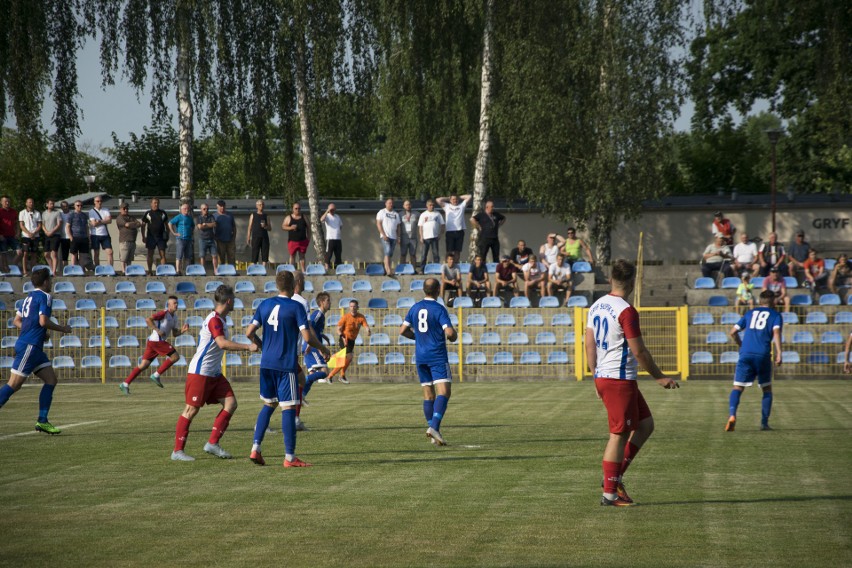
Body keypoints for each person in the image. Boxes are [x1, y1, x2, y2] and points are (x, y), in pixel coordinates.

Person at [585, 259, 679, 507]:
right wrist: (659, 376)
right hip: (618, 379)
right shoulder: (626, 310)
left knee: (645, 425)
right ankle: (609, 494)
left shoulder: (596, 306)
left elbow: (588, 343)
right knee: (619, 434)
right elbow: (639, 351)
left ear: (611, 279)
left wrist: (595, 375)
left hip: (609, 376)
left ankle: (614, 478)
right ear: (633, 280)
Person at [245, 271, 330, 467]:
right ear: (294, 286)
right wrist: (324, 348)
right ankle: (290, 457)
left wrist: (262, 345)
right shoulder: (296, 306)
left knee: (269, 404)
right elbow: (308, 338)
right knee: (289, 407)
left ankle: (255, 449)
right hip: (285, 364)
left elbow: (249, 332)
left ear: (276, 285)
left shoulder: (264, 304)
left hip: (266, 363)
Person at [170, 285, 259, 461]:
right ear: (229, 301)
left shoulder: (221, 320)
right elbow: (222, 343)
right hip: (201, 372)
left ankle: (212, 443)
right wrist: (248, 347)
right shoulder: (214, 320)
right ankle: (177, 451)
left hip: (214, 373)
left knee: (231, 403)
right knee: (191, 410)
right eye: (233, 299)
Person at [0, 268, 73, 434]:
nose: (52, 283)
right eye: (51, 280)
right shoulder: (46, 297)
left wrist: (39, 332)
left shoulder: (28, 297)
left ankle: (42, 421)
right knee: (14, 384)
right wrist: (63, 328)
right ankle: (42, 420)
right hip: (30, 346)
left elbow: (16, 321)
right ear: (46, 282)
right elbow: (43, 320)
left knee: (51, 380)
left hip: (34, 346)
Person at [400, 277, 458, 446]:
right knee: (444, 392)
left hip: (421, 356)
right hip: (437, 356)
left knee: (428, 394)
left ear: (424, 290)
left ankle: (433, 434)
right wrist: (454, 335)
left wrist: (417, 337)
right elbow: (449, 332)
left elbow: (402, 330)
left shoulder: (415, 307)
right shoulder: (439, 309)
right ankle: (434, 427)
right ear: (438, 290)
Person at [726, 290, 783, 432]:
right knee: (766, 389)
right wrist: (779, 353)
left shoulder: (750, 313)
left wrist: (741, 345)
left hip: (745, 354)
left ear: (760, 300)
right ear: (773, 301)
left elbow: (733, 332)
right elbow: (776, 333)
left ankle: (732, 415)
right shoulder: (776, 315)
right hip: (762, 354)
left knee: (737, 388)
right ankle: (764, 423)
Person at [119, 296, 190, 395]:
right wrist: (157, 330)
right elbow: (148, 319)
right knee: (175, 357)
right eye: (174, 303)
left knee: (144, 365)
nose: (176, 305)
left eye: (177, 303)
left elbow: (175, 334)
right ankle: (156, 375)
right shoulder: (163, 313)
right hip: (157, 341)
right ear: (169, 305)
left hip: (153, 342)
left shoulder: (175, 318)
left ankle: (125, 384)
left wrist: (183, 331)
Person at [326, 299, 371, 384]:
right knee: (349, 357)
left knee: (346, 359)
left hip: (352, 340)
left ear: (357, 307)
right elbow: (338, 328)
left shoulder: (361, 317)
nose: (352, 308)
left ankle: (336, 375)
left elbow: (366, 325)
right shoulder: (346, 317)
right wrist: (342, 336)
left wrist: (368, 330)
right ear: (349, 308)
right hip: (344, 339)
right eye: (351, 306)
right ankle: (334, 376)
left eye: (354, 306)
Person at [301, 292, 333, 402]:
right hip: (312, 347)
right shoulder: (317, 314)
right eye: (328, 300)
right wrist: (310, 344)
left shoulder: (321, 316)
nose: (330, 302)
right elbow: (309, 328)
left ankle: (302, 395)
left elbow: (316, 330)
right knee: (324, 372)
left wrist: (324, 336)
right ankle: (302, 383)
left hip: (312, 346)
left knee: (314, 374)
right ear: (322, 302)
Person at [436, 193, 472, 262]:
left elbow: (469, 196)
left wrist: (459, 197)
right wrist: (448, 198)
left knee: (457, 251)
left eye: (456, 199)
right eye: (453, 199)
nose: (454, 200)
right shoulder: (447, 206)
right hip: (450, 232)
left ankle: (456, 265)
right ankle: (448, 266)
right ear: (450, 200)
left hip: (459, 231)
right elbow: (438, 200)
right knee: (449, 251)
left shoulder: (461, 206)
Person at [141, 197, 169, 274]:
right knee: (150, 254)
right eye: (154, 203)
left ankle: (163, 271)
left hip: (161, 237)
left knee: (162, 254)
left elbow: (167, 225)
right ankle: (150, 271)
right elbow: (143, 225)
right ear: (151, 204)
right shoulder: (147, 213)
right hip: (151, 237)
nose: (156, 204)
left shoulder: (163, 213)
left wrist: (167, 235)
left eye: (157, 203)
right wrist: (143, 236)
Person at [115, 203, 143, 274]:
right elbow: (126, 225)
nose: (126, 210)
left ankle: (129, 270)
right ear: (121, 209)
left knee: (129, 259)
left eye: (127, 208)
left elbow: (139, 224)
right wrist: (134, 224)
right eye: (124, 208)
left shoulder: (131, 217)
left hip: (132, 241)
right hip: (124, 241)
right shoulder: (120, 218)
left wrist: (131, 224)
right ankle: (123, 271)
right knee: (123, 258)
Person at [282, 202, 310, 271]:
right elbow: (283, 226)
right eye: (296, 208)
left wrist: (308, 239)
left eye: (299, 208)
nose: (298, 210)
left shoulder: (304, 217)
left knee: (302, 256)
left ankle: (303, 271)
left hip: (303, 241)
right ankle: (291, 271)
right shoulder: (289, 217)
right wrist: (291, 228)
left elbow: (309, 228)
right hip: (292, 241)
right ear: (293, 209)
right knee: (292, 255)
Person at [376, 198, 400, 275]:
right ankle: (389, 270)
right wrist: (383, 234)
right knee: (387, 251)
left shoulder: (396, 214)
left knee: (389, 254)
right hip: (385, 236)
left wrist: (398, 237)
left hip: (394, 237)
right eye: (389, 203)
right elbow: (378, 224)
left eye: (392, 203)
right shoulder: (382, 212)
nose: (391, 204)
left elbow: (398, 226)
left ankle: (386, 270)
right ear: (385, 204)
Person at [168, 203, 194, 275]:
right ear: (181, 210)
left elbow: (193, 226)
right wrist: (173, 233)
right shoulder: (178, 217)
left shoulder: (190, 218)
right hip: (180, 239)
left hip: (188, 239)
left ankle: (187, 271)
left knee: (188, 256)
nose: (186, 210)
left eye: (187, 208)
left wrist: (191, 232)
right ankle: (177, 270)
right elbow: (170, 223)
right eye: (185, 208)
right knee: (179, 255)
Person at [418, 199, 444, 269]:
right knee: (424, 255)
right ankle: (422, 269)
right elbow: (420, 226)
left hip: (435, 237)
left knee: (436, 254)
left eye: (433, 205)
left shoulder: (437, 214)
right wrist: (421, 236)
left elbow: (442, 225)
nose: (432, 206)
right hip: (425, 238)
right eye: (430, 205)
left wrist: (440, 234)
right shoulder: (423, 214)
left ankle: (437, 269)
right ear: (427, 206)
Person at [88, 196, 113, 268]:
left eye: (100, 201)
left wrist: (99, 221)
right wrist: (104, 221)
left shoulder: (106, 210)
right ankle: (97, 269)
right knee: (96, 253)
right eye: (97, 201)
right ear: (94, 202)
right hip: (95, 234)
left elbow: (110, 220)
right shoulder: (91, 211)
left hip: (105, 234)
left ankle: (110, 269)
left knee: (110, 252)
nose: (99, 202)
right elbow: (94, 224)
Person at [18, 197, 42, 274]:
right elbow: (21, 225)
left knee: (34, 254)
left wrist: (34, 233)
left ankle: (33, 271)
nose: (31, 204)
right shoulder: (22, 212)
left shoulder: (37, 213)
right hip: (25, 236)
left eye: (32, 202)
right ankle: (25, 271)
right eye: (29, 202)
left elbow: (39, 225)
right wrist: (29, 233)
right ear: (26, 203)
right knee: (25, 253)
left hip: (35, 236)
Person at [66, 200, 91, 269]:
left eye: (81, 205)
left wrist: (88, 236)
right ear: (74, 206)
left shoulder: (84, 215)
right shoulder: (71, 215)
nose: (80, 207)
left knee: (83, 255)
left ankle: (81, 270)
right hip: (75, 237)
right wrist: (71, 237)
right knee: (74, 254)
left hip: (84, 237)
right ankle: (73, 269)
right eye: (78, 205)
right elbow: (67, 226)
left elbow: (86, 227)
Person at [246, 199, 270, 268]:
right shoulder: (253, 215)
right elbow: (249, 227)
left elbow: (270, 228)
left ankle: (263, 269)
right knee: (255, 252)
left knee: (265, 253)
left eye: (262, 204)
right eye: (259, 205)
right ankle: (254, 268)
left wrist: (265, 226)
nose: (261, 206)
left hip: (264, 237)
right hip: (255, 236)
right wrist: (248, 237)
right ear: (256, 206)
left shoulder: (266, 216)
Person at [41, 199, 63, 276]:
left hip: (55, 235)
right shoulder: (44, 213)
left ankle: (54, 271)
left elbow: (59, 224)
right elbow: (42, 224)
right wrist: (46, 231)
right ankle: (52, 268)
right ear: (47, 204)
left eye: (53, 204)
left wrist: (52, 231)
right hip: (47, 235)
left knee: (53, 254)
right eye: (50, 204)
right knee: (46, 254)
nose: (52, 205)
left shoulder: (57, 213)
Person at [196, 203, 219, 274]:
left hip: (211, 239)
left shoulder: (211, 216)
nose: (206, 210)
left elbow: (214, 224)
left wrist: (205, 224)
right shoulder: (199, 217)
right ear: (201, 210)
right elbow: (200, 227)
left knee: (214, 255)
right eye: (204, 209)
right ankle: (203, 271)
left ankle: (215, 270)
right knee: (202, 256)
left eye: (207, 209)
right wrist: (209, 225)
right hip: (203, 239)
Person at [0, 195, 21, 273]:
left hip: (12, 235)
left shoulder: (14, 211)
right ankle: (4, 269)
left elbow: (16, 223)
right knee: (3, 253)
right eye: (5, 201)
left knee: (20, 252)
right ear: (1, 202)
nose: (7, 203)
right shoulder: (0, 211)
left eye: (8, 201)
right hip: (3, 236)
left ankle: (12, 265)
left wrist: (18, 232)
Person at [213, 200, 236, 267]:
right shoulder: (214, 216)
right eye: (220, 206)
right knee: (221, 257)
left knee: (232, 257)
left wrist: (234, 237)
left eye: (223, 206)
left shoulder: (230, 215)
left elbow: (234, 227)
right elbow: (212, 228)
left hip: (230, 240)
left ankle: (232, 271)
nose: (222, 208)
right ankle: (221, 271)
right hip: (220, 240)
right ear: (217, 206)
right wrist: (215, 238)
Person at [320, 203, 343, 269]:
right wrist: (327, 211)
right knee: (329, 254)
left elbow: (341, 226)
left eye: (333, 209)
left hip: (338, 239)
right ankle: (327, 267)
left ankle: (338, 268)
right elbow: (321, 219)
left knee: (338, 255)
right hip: (330, 239)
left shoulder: (337, 216)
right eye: (331, 209)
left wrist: (337, 232)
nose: (332, 211)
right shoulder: (327, 216)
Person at [399, 200, 419, 267]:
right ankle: (401, 269)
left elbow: (423, 220)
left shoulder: (416, 214)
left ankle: (413, 269)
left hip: (413, 238)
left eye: (409, 204)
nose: (408, 206)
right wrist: (398, 237)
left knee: (413, 254)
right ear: (403, 206)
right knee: (403, 254)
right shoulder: (400, 214)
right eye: (406, 205)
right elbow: (397, 226)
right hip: (404, 237)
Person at [58, 200, 72, 269]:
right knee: (64, 255)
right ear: (61, 207)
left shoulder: (72, 214)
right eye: (63, 206)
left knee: (74, 254)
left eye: (66, 206)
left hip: (71, 237)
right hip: (62, 237)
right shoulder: (59, 214)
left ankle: (74, 268)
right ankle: (64, 269)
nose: (65, 207)